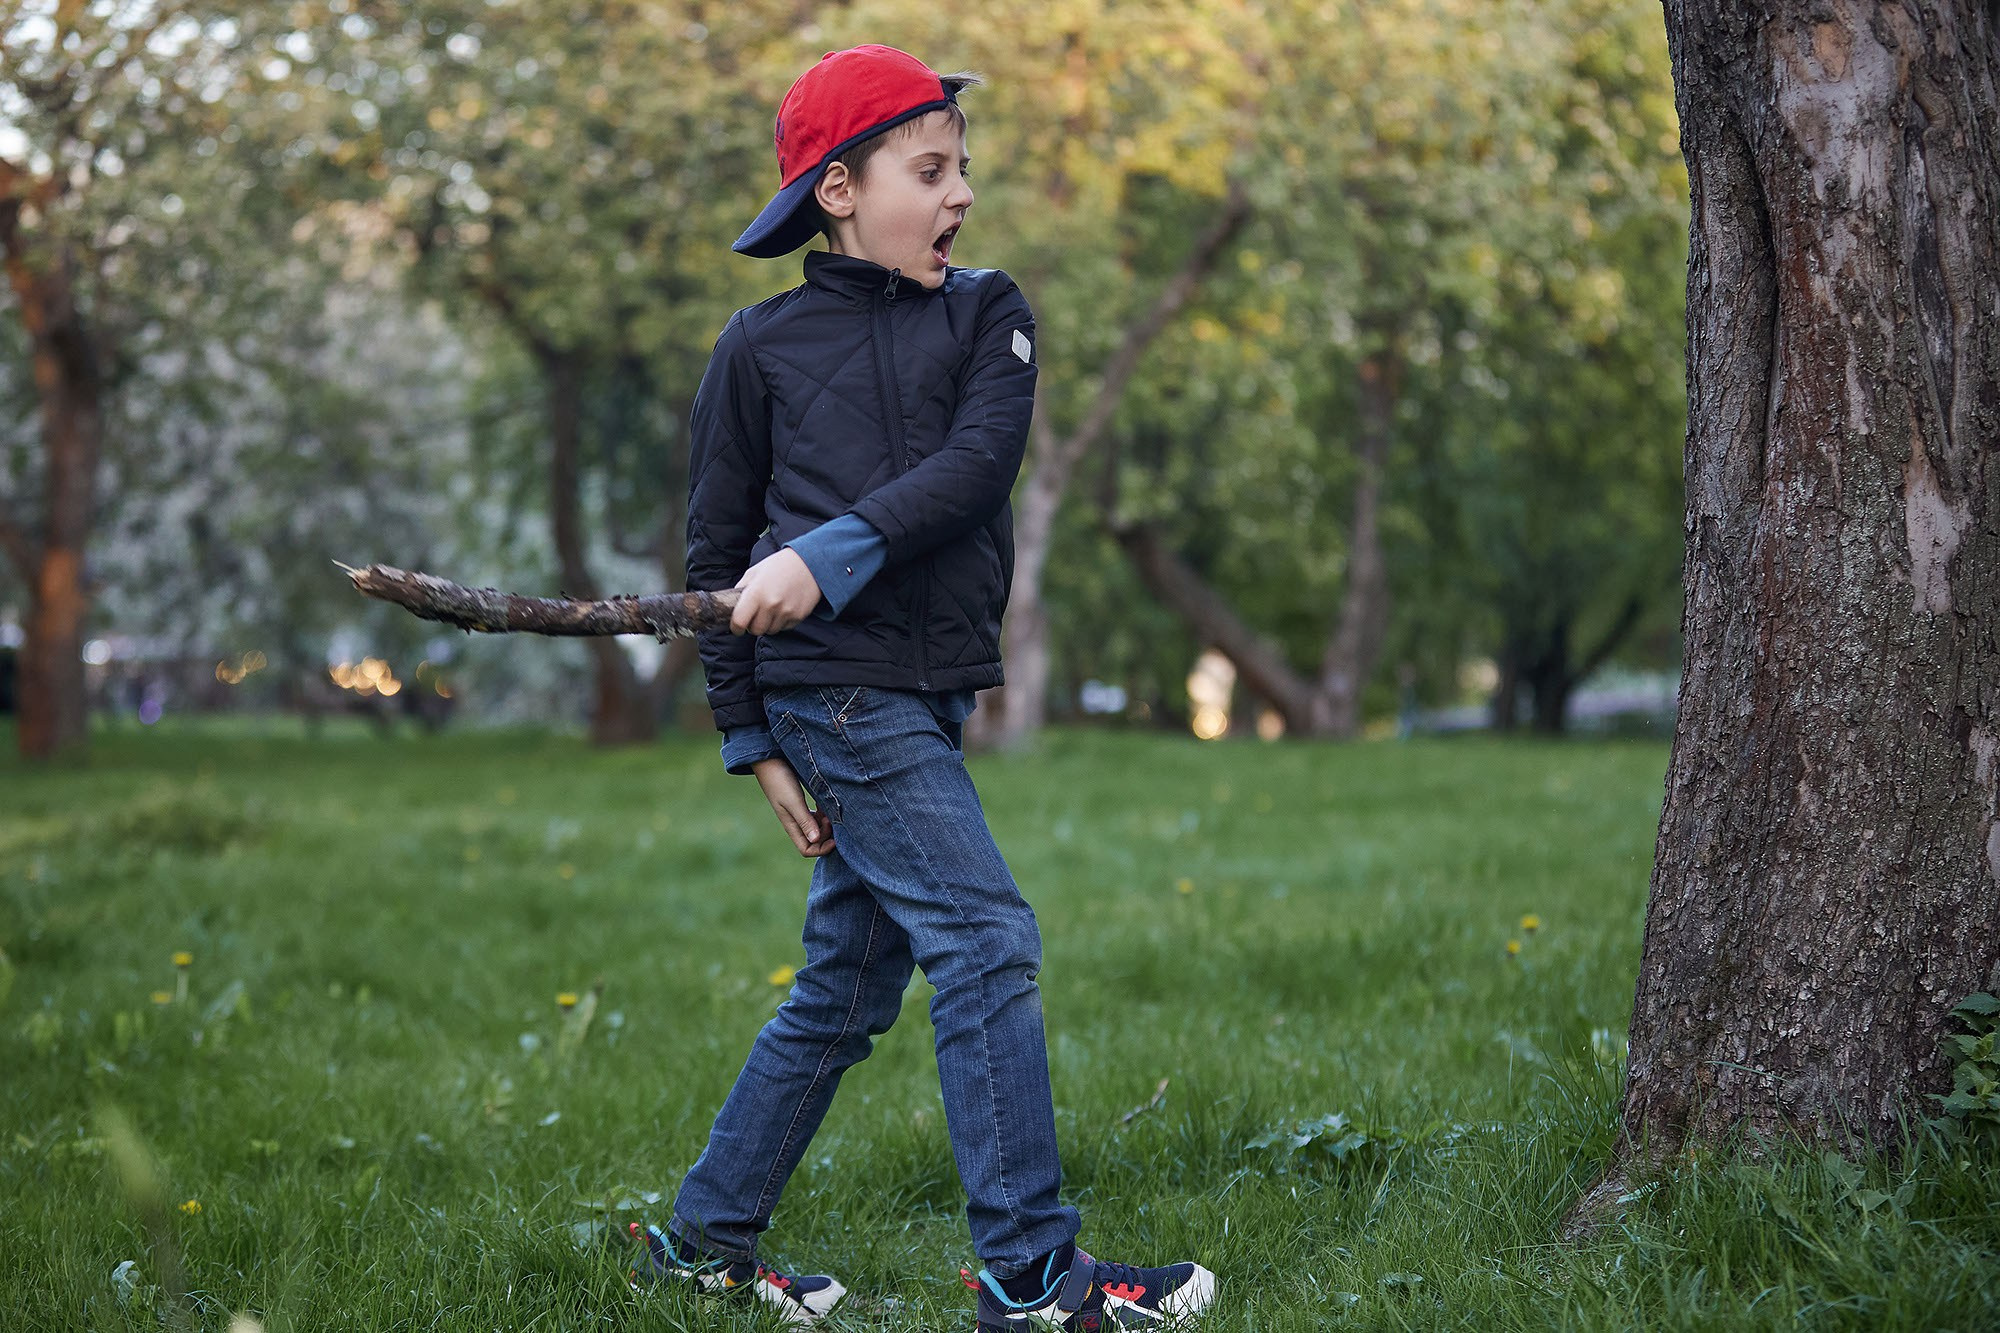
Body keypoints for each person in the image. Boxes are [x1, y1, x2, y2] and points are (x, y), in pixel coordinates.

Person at [629, 44, 1216, 1330]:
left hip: (921, 690)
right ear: (839, 191)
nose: (960, 194)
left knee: (844, 989)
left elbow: (972, 469)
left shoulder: (988, 312)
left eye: (962, 171)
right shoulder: (756, 347)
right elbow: (716, 559)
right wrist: (747, 734)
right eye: (930, 170)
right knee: (986, 939)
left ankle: (700, 1246)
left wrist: (824, 554)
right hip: (834, 695)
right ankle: (1029, 1275)